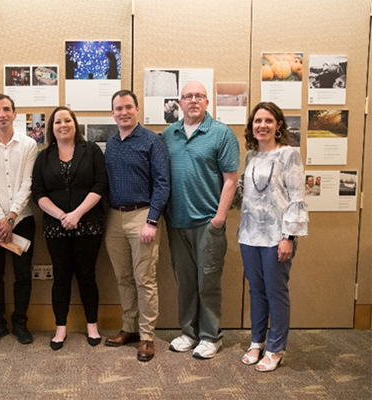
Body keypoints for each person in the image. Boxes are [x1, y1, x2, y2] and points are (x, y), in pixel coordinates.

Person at [163, 81, 240, 359]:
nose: (193, 100)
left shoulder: (221, 133)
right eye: (187, 96)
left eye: (199, 96)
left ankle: (210, 336)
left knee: (208, 281)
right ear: (179, 103)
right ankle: (188, 332)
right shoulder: (168, 134)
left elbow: (231, 180)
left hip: (208, 222)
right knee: (185, 281)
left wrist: (219, 219)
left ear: (207, 102)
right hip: (176, 222)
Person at [239, 102, 309, 372]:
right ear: (252, 126)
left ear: (278, 125)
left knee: (275, 292)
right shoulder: (250, 156)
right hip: (249, 234)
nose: (262, 125)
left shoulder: (289, 155)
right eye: (258, 121)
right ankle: (257, 341)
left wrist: (288, 237)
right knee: (256, 290)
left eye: (268, 120)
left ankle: (276, 347)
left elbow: (297, 197)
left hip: (276, 237)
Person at [31, 106, 107, 350]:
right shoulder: (44, 156)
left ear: (75, 124)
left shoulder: (91, 150)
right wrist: (63, 215)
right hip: (56, 226)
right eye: (57, 122)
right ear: (51, 128)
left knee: (87, 276)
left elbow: (100, 184)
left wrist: (77, 214)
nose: (62, 125)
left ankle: (92, 326)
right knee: (61, 277)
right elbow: (38, 194)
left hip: (89, 224)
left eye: (67, 120)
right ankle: (60, 328)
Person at [104, 90, 170, 362]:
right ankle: (129, 328)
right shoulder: (111, 142)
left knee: (145, 279)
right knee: (123, 278)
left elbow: (163, 183)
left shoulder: (152, 141)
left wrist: (152, 221)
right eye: (118, 108)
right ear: (113, 113)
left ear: (137, 109)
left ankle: (146, 336)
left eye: (128, 107)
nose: (123, 112)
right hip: (114, 218)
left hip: (143, 217)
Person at [0, 93, 37, 345]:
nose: (1, 114)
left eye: (6, 109)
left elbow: (27, 183)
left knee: (23, 275)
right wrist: (1, 219)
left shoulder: (29, 145)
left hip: (22, 220)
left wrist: (11, 217)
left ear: (14, 113)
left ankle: (20, 322)